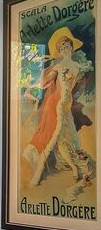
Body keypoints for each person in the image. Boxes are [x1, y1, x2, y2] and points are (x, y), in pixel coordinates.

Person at [22, 26, 94, 187]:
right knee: (50, 141)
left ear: (71, 48)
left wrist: (67, 104)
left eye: (67, 46)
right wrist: (31, 86)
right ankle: (37, 175)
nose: (64, 50)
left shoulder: (76, 68)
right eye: (61, 48)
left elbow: (70, 89)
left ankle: (76, 169)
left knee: (61, 142)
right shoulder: (57, 67)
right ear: (59, 51)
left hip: (64, 108)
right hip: (53, 108)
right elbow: (43, 84)